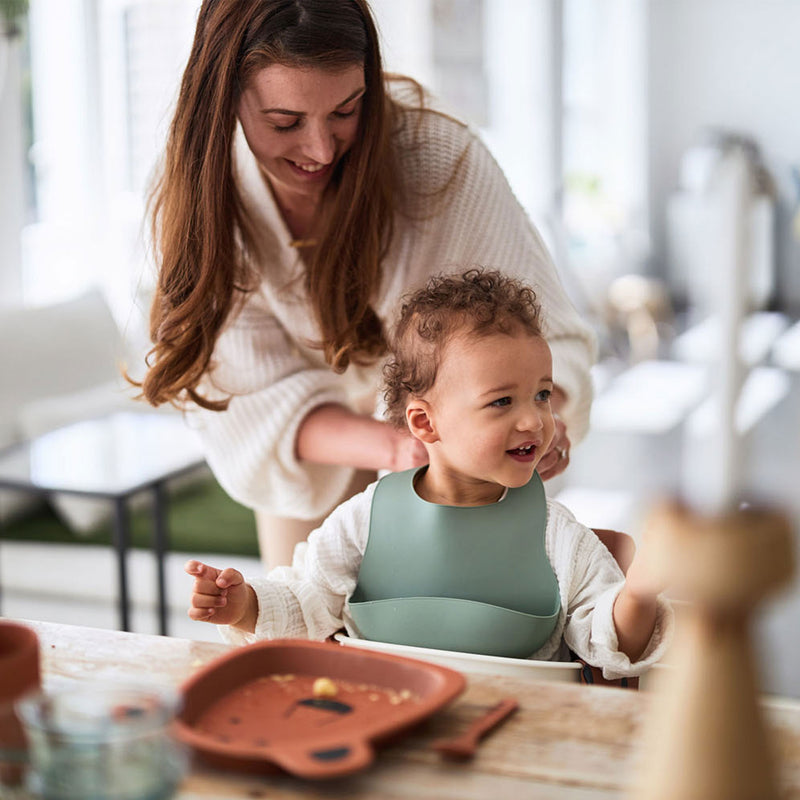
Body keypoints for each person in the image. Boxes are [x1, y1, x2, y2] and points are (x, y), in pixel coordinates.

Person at [140, 0, 597, 570]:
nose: (321, 150)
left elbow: (542, 336)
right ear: (223, 98)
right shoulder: (202, 191)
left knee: (460, 642)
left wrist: (540, 419)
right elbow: (250, 396)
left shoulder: (440, 160)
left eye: (346, 111)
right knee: (298, 631)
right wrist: (393, 446)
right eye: (284, 123)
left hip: (456, 452)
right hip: (321, 453)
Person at [185, 270, 672, 679]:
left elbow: (610, 646)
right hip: (384, 720)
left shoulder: (556, 534)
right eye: (502, 401)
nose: (535, 420)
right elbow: (303, 603)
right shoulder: (363, 521)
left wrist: (640, 591)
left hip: (521, 734)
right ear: (424, 422)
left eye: (541, 394)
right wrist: (242, 604)